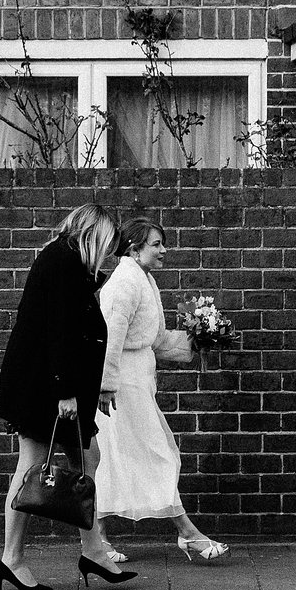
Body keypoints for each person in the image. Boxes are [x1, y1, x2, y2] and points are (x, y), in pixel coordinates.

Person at [0, 201, 137, 590]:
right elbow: (57, 333)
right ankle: (13, 559)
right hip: (46, 389)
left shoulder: (69, 263)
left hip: (54, 387)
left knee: (87, 456)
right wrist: (66, 393)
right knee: (33, 465)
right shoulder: (62, 263)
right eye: (108, 246)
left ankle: (92, 550)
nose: (111, 256)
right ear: (92, 236)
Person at [94, 218, 231, 563]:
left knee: (113, 458)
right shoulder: (124, 282)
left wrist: (199, 339)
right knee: (153, 454)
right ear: (134, 248)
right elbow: (110, 339)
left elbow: (154, 339)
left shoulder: (143, 279)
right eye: (156, 244)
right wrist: (106, 387)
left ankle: (98, 542)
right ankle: (188, 533)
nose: (163, 250)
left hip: (137, 381)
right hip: (121, 385)